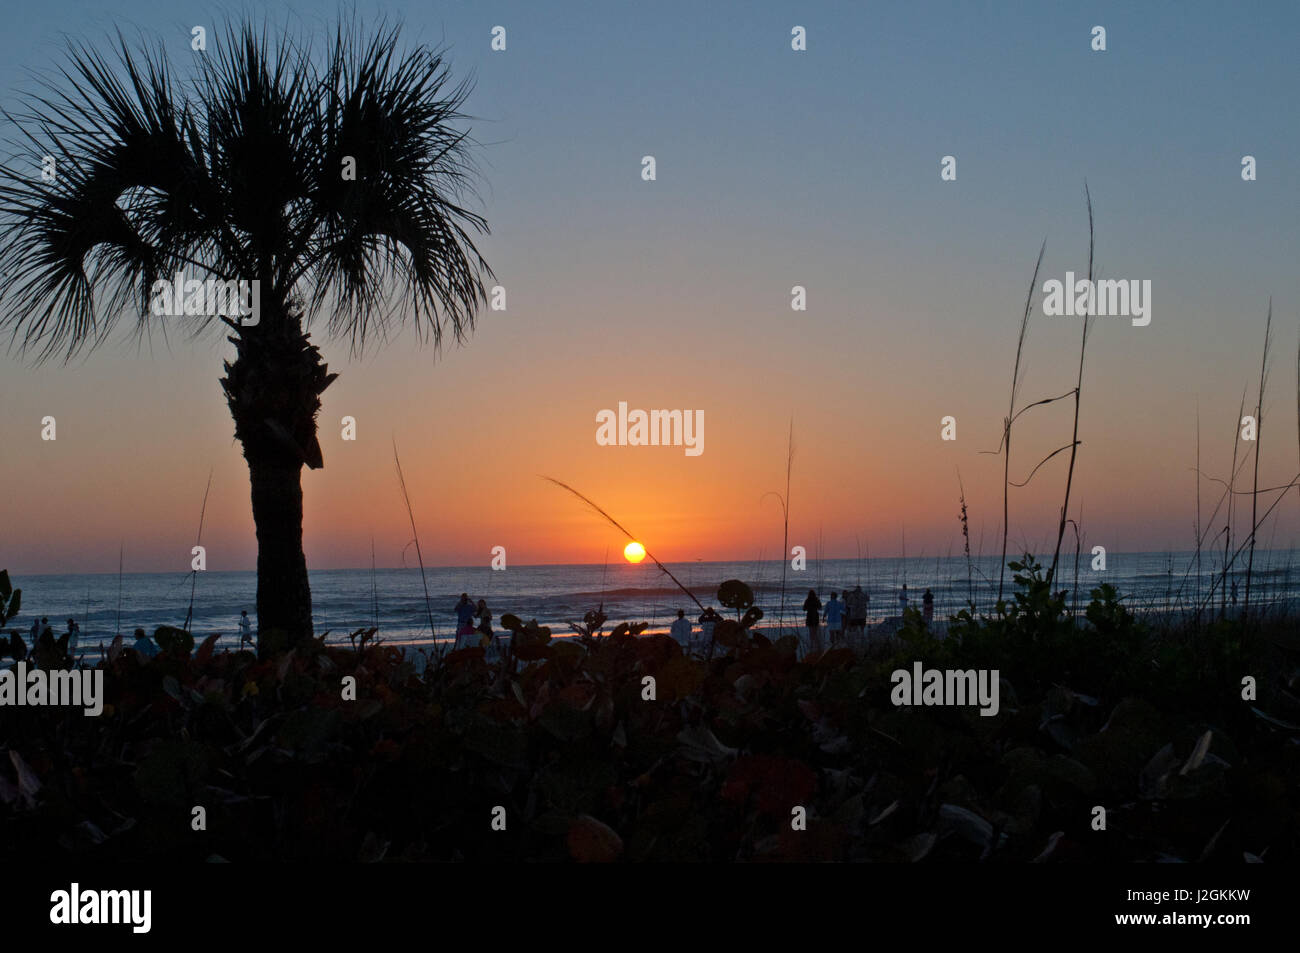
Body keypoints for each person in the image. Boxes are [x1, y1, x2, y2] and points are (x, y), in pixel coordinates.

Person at [803, 589, 823, 653]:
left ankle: (812, 645)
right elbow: (820, 607)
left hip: (809, 617)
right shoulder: (816, 600)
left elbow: (804, 609)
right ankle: (817, 645)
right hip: (815, 616)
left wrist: (809, 607)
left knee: (811, 632)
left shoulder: (807, 600)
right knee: (815, 632)